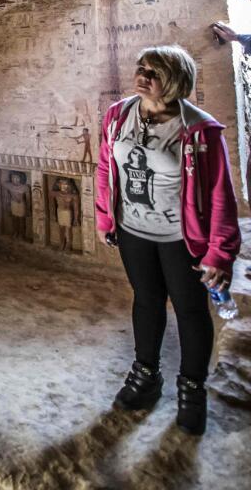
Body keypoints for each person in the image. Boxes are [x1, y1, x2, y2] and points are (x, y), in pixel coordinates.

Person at [95, 45, 241, 435]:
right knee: (146, 299)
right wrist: (105, 216)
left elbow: (220, 195)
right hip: (133, 231)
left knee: (191, 310)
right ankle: (146, 377)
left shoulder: (199, 129)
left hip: (181, 238)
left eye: (153, 72)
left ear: (174, 80)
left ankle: (192, 390)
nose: (142, 76)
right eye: (140, 68)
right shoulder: (118, 115)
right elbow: (106, 166)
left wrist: (219, 253)